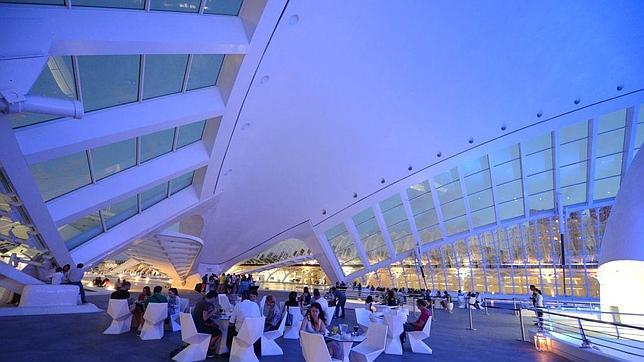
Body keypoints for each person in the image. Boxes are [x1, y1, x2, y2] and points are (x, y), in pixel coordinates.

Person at [192, 291, 222, 357]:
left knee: (215, 326)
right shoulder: (206, 304)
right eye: (215, 299)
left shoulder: (201, 302)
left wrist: (211, 312)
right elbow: (205, 318)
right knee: (218, 332)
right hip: (200, 327)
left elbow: (203, 314)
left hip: (194, 325)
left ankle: (209, 346)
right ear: (213, 298)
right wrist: (213, 311)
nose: (215, 301)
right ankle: (208, 348)